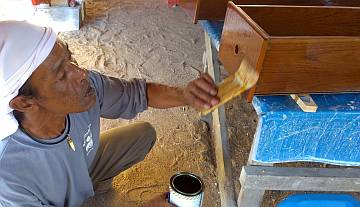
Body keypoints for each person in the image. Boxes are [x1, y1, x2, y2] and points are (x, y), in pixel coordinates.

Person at [0, 21, 219, 207]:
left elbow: (136, 93)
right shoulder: (9, 175)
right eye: (61, 74)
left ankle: (89, 187)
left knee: (142, 135)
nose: (80, 73)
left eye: (70, 58)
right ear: (25, 103)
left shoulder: (86, 88)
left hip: (80, 167)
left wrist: (185, 95)